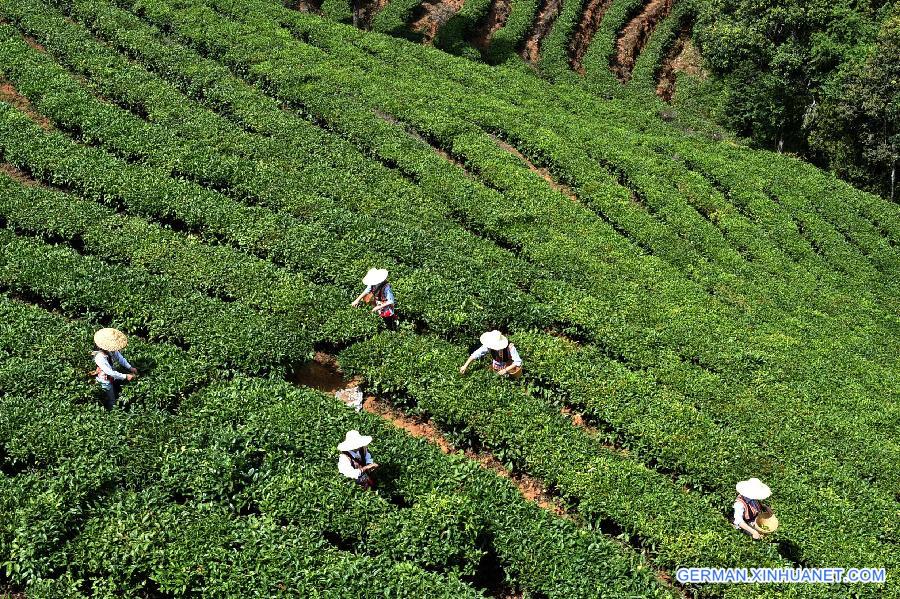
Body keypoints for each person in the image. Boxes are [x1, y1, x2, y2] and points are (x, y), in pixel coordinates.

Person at [90, 328, 136, 410]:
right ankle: (112, 413)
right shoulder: (100, 357)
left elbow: (120, 358)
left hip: (112, 376)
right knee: (111, 400)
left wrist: (130, 367)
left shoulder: (112, 350)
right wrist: (125, 376)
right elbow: (109, 372)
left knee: (115, 390)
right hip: (104, 380)